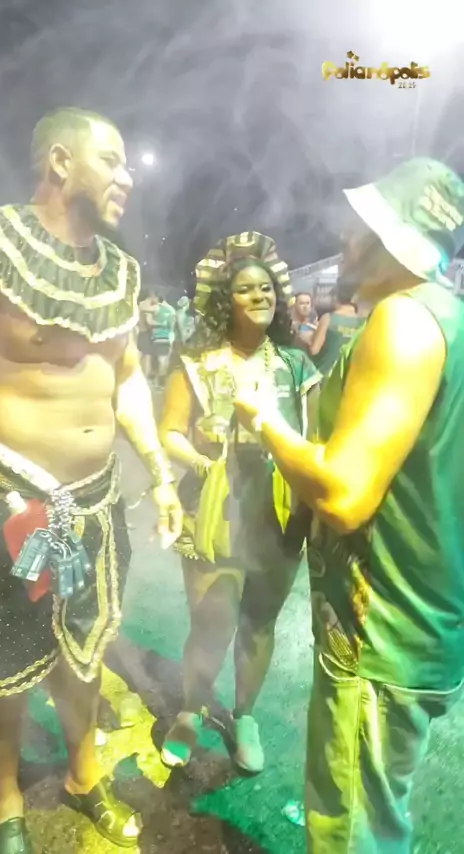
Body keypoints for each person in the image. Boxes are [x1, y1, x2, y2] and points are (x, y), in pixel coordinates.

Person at [233, 158, 464, 853]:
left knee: (353, 829)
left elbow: (344, 494)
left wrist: (265, 420)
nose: (344, 236)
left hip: (380, 629)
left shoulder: (403, 321)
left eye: (362, 225)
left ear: (394, 239)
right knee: (378, 817)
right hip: (421, 617)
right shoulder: (447, 317)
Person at [0, 106, 182, 854]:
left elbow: (125, 376)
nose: (127, 176)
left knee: (86, 654)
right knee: (1, 665)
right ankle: (6, 798)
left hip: (95, 505)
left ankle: (82, 776)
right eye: (112, 159)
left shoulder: (122, 271)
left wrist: (159, 472)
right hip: (5, 497)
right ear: (60, 162)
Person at [158, 232, 321, 775]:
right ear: (224, 300)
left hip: (278, 516)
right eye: (247, 289)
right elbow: (169, 432)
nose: (260, 296)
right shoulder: (196, 363)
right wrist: (201, 459)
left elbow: (315, 440)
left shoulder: (296, 365)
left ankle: (245, 715)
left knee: (259, 623)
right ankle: (190, 711)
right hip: (213, 510)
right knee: (211, 622)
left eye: (267, 288)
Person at [308, 287, 363, 376]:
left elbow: (314, 350)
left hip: (327, 374)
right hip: (353, 375)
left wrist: (307, 338)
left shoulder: (328, 318)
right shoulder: (363, 322)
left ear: (335, 298)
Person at [149, 294, 176, 384]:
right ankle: (162, 378)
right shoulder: (171, 310)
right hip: (166, 338)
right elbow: (172, 326)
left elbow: (150, 322)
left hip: (157, 337)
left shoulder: (155, 308)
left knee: (158, 359)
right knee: (164, 360)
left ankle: (158, 378)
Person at [138, 289, 158, 377]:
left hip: (140, 333)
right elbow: (149, 322)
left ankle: (142, 374)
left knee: (142, 355)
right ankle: (145, 375)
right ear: (151, 295)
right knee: (147, 356)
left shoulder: (140, 305)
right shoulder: (146, 306)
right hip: (145, 334)